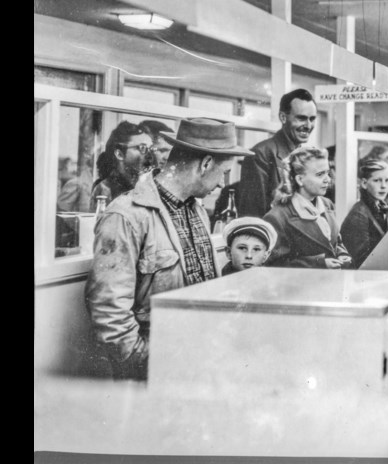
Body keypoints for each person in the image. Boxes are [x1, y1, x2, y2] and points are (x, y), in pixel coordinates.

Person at [84, 118, 254, 380]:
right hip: (157, 371)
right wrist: (145, 363)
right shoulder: (125, 216)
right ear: (205, 164)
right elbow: (110, 313)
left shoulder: (196, 208)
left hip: (200, 362)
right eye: (224, 173)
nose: (222, 184)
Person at [263, 146, 353, 269]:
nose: (328, 179)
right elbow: (275, 266)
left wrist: (342, 253)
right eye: (320, 174)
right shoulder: (277, 217)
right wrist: (319, 263)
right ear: (300, 179)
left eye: (327, 172)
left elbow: (335, 242)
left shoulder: (327, 204)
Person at [237, 89, 318, 217]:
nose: (308, 125)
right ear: (283, 117)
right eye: (301, 118)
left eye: (312, 119)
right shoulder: (260, 155)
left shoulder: (303, 155)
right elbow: (252, 215)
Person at [340, 159, 388, 268]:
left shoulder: (383, 209)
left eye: (387, 180)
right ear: (364, 183)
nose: (383, 186)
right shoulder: (358, 215)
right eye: (377, 180)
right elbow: (360, 262)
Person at [89, 121, 154, 209]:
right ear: (119, 154)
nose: (149, 155)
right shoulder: (105, 189)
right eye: (142, 148)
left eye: (151, 148)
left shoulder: (148, 185)